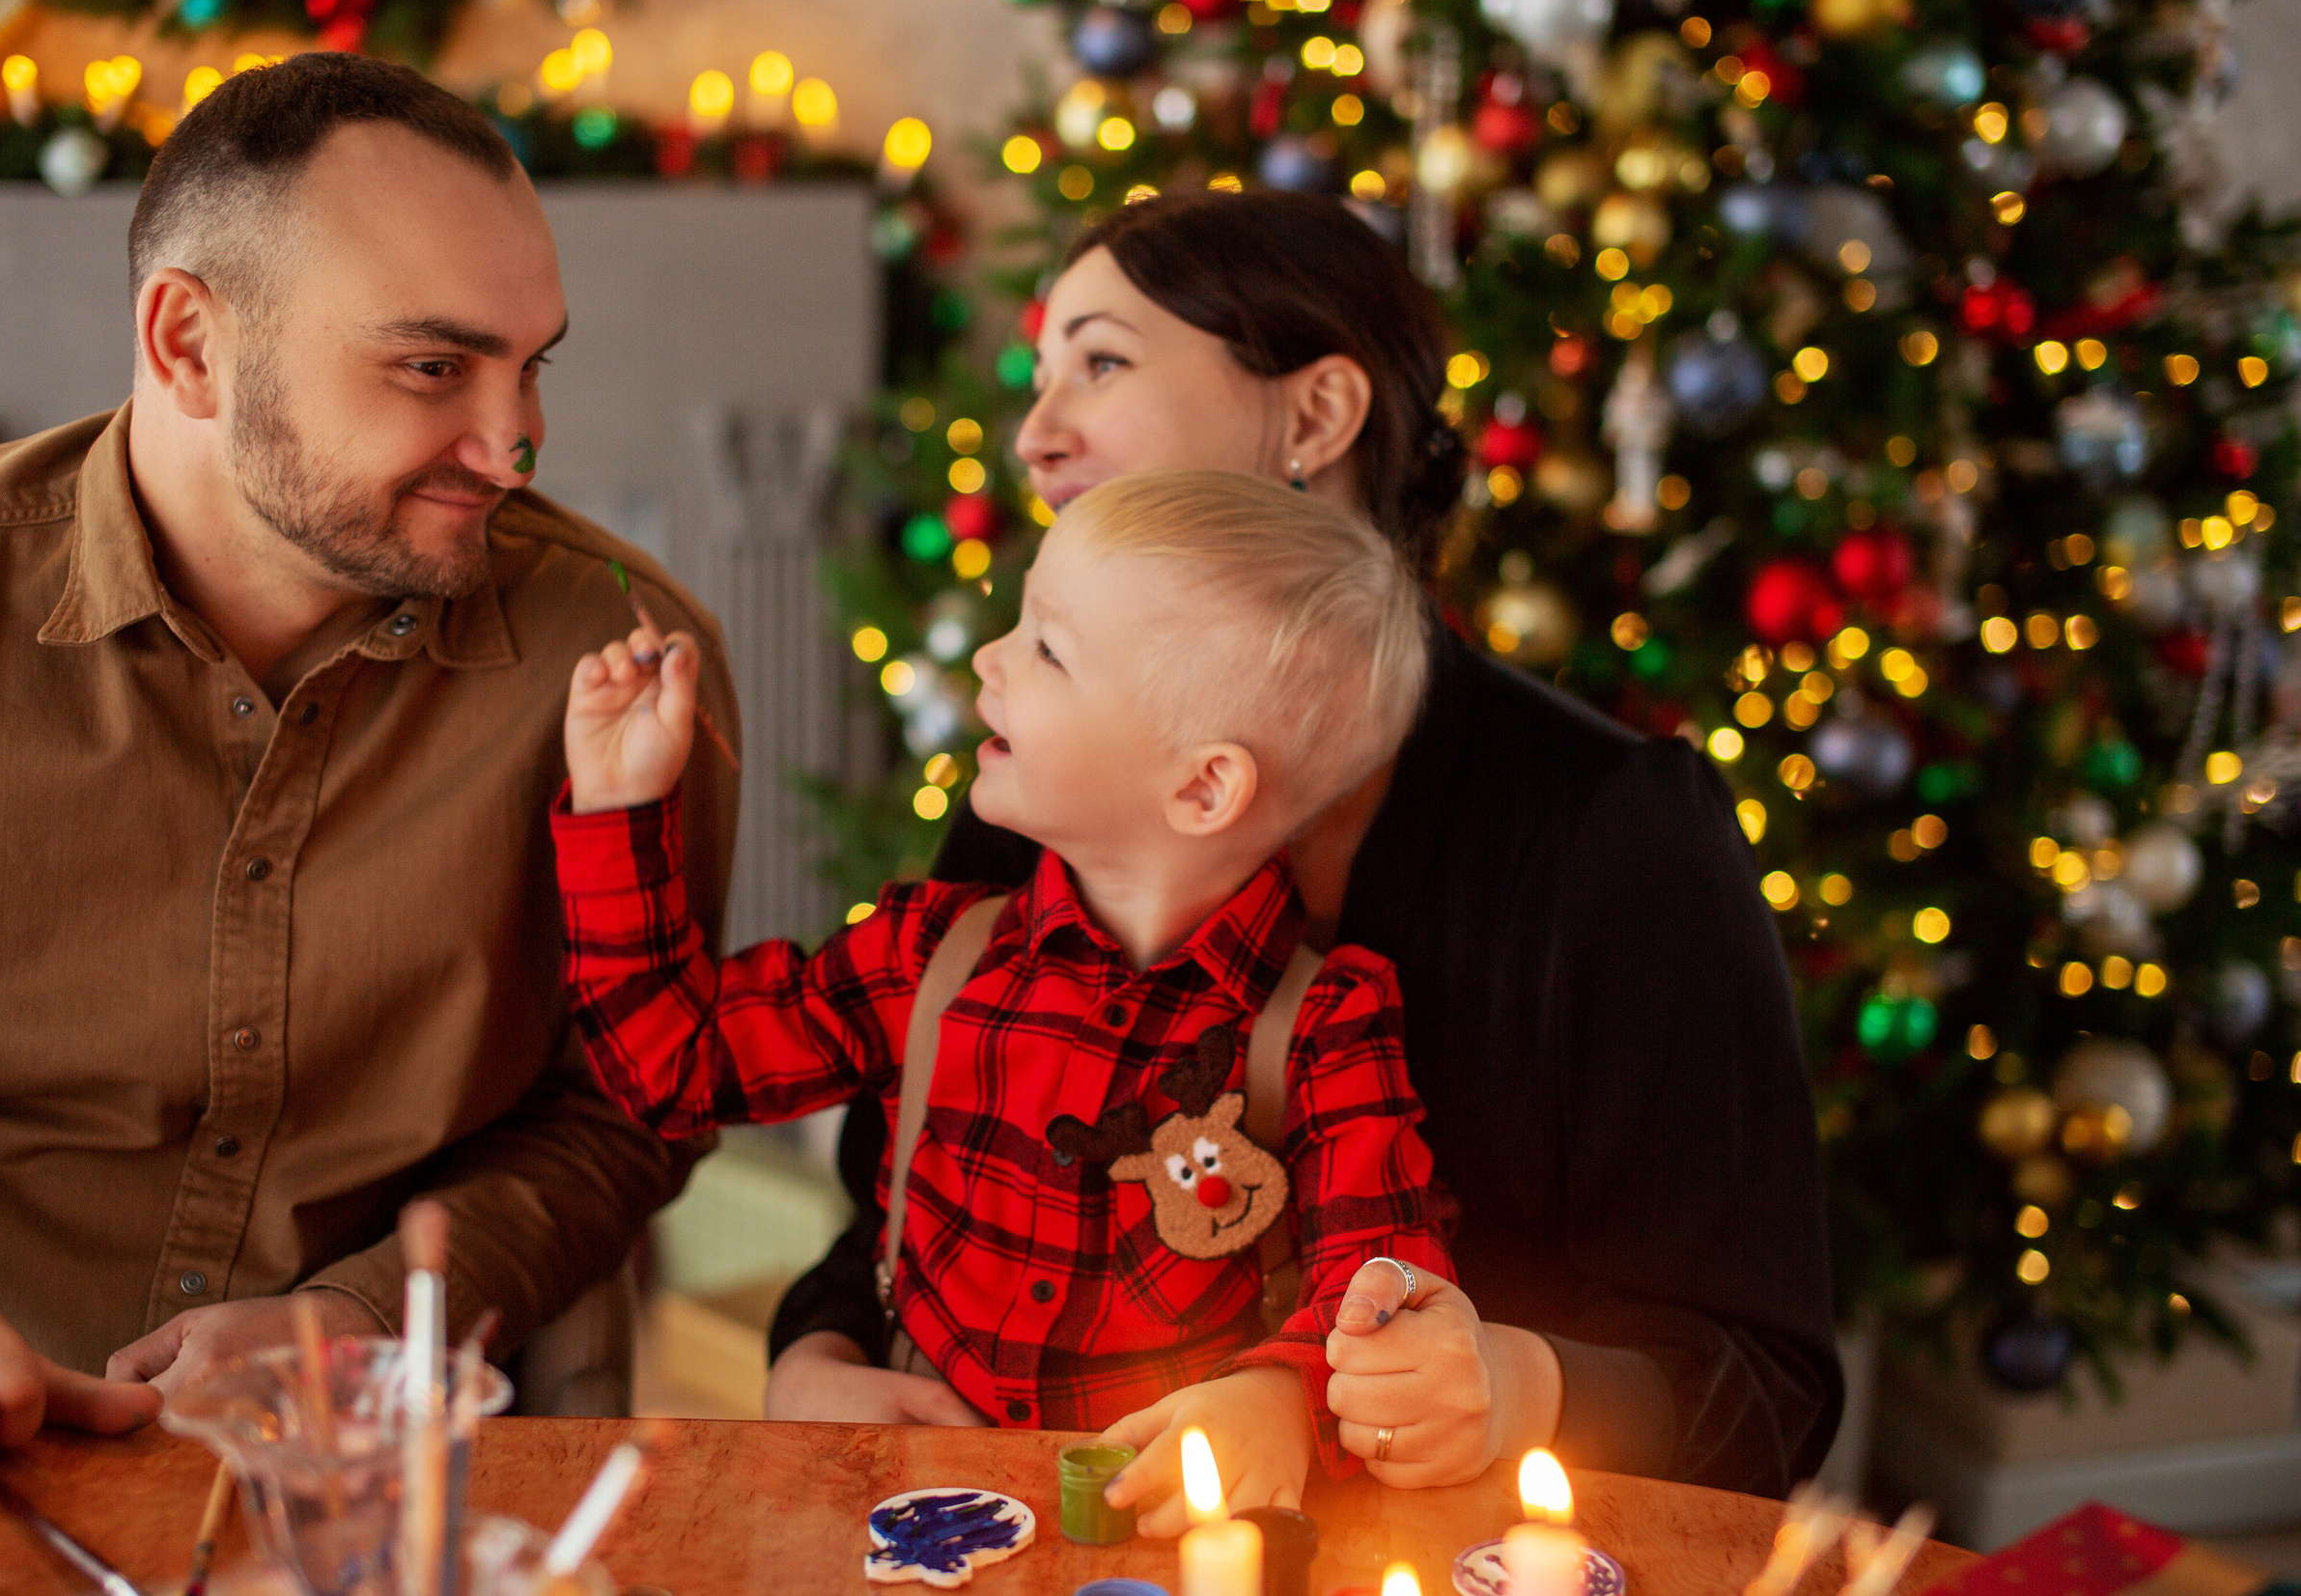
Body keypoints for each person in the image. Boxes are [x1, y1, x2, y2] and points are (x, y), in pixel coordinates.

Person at [767, 190, 1842, 1499]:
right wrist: (815, 1353)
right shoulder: (1043, 783)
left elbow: (1766, 1386)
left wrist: (1520, 1387)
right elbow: (892, 1191)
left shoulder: (1608, 832)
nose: (1036, 439)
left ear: (1317, 416)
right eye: (1039, 375)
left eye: (1100, 361)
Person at [0, 53, 737, 1472]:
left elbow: (632, 1100)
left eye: (531, 364)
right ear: (189, 341)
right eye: (435, 365)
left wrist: (368, 1312)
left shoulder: (622, 655)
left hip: (408, 1455)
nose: (515, 443)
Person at [558, 470, 1453, 1524]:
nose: (988, 657)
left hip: (1164, 1545)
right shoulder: (926, 952)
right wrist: (621, 805)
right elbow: (673, 1066)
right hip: (909, 1517)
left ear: (1202, 786)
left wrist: (1282, 1397)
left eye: (1045, 648)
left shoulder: (1327, 1025)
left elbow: (1388, 1285)